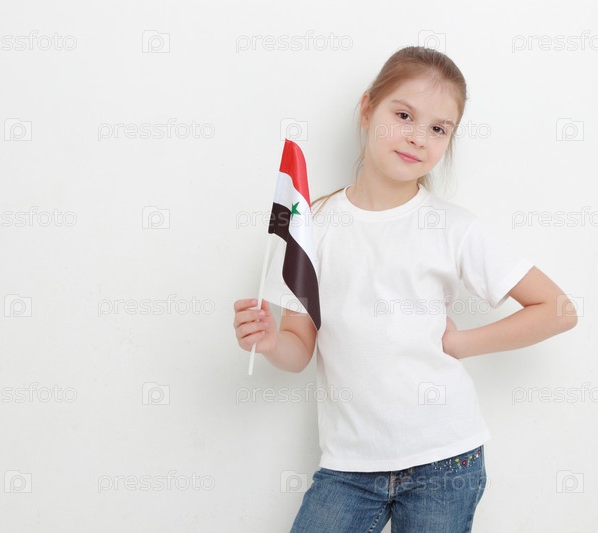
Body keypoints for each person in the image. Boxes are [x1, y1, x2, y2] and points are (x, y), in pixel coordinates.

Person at [232, 45, 578, 533]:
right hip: (349, 467)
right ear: (367, 109)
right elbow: (298, 348)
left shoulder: (453, 227)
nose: (418, 136)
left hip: (446, 461)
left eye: (439, 129)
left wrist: (462, 342)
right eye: (403, 115)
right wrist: (270, 342)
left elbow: (558, 309)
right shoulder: (313, 227)